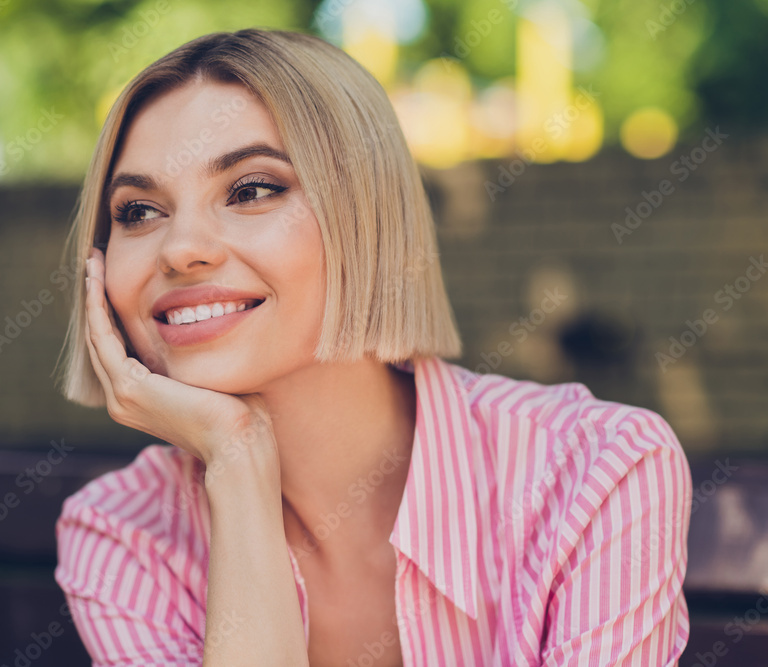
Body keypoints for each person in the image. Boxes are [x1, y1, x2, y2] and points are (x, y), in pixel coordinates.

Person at [52, 27, 692, 666]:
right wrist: (237, 457)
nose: (179, 248)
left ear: (370, 218)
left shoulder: (599, 474)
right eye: (138, 212)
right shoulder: (123, 532)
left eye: (251, 190)